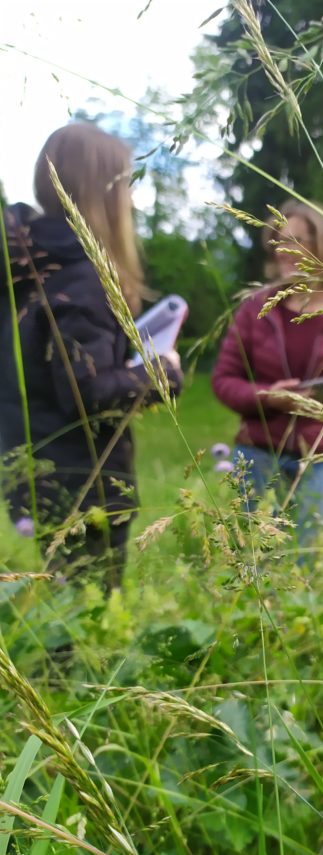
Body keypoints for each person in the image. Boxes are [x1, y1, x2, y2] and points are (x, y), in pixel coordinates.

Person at [0, 122, 183, 589]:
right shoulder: (82, 280)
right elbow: (89, 393)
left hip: (28, 464)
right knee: (89, 622)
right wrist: (163, 373)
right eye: (125, 184)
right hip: (85, 481)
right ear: (105, 193)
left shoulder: (21, 266)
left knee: (59, 604)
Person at [211, 200, 323, 547]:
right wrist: (269, 397)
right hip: (257, 455)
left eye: (300, 241)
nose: (287, 251)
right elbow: (223, 381)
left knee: (310, 571)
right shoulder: (255, 309)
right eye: (281, 241)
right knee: (253, 563)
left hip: (322, 460)